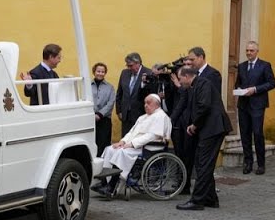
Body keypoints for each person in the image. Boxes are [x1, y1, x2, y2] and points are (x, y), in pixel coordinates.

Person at [92, 94, 171, 198]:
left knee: (121, 153)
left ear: (156, 105)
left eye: (148, 103)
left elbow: (151, 136)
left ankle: (112, 187)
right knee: (110, 149)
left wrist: (132, 144)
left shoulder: (161, 116)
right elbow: (131, 132)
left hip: (149, 148)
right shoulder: (143, 117)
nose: (145, 105)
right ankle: (104, 183)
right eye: (145, 103)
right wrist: (123, 142)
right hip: (136, 146)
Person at [175, 67, 232, 210]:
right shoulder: (196, 85)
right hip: (208, 129)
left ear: (187, 76)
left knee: (204, 164)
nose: (180, 82)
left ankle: (197, 201)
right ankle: (210, 199)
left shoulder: (203, 84)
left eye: (180, 79)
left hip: (213, 128)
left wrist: (194, 124)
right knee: (203, 164)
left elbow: (204, 106)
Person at [234, 40, 275, 175]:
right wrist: (238, 90)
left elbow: (271, 83)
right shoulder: (241, 66)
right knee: (245, 134)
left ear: (257, 51)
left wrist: (256, 89)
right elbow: (238, 84)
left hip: (258, 105)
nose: (248, 53)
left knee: (257, 134)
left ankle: (261, 164)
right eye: (247, 50)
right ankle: (248, 163)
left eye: (251, 50)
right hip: (243, 105)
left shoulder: (264, 65)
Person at [169, 56, 195, 194]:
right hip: (178, 120)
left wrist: (180, 86)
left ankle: (186, 184)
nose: (186, 65)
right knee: (178, 153)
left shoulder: (195, 81)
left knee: (188, 155)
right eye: (184, 64)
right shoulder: (178, 78)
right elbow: (175, 101)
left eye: (189, 63)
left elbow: (189, 99)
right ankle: (180, 182)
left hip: (190, 123)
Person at [115, 52, 152, 138]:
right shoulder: (124, 73)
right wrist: (119, 110)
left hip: (141, 115)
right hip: (125, 116)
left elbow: (150, 94)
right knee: (125, 140)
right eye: (127, 65)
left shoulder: (148, 73)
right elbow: (119, 93)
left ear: (138, 63)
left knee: (138, 140)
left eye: (130, 65)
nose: (129, 68)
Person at [91, 62, 116, 156]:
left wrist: (100, 114)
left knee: (103, 144)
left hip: (104, 120)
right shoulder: (88, 86)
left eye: (103, 72)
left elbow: (110, 103)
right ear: (94, 72)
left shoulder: (110, 87)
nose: (100, 73)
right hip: (91, 120)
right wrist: (92, 114)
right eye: (98, 71)